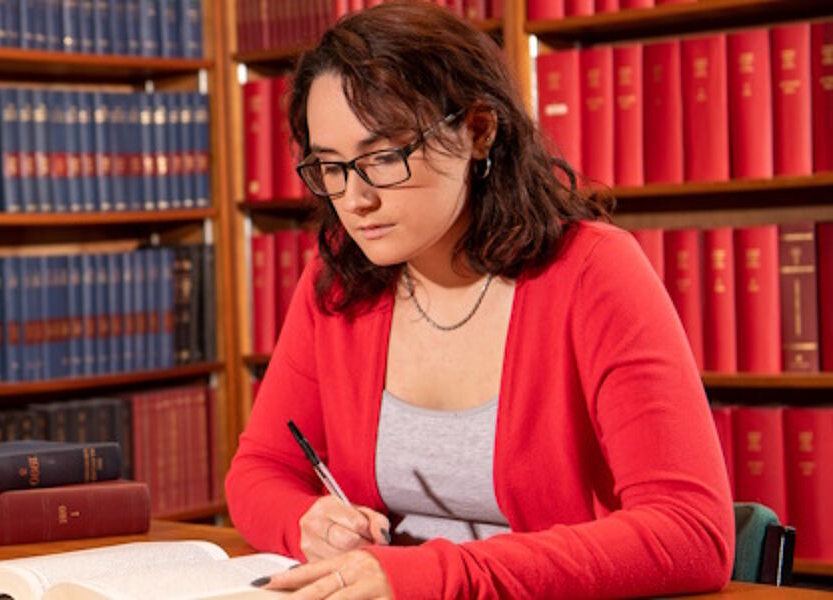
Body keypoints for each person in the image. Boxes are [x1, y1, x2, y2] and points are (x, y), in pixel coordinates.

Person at [224, 2, 735, 598]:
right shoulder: (339, 281)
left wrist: (435, 577)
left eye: (385, 157)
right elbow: (260, 472)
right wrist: (307, 522)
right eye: (331, 167)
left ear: (477, 130)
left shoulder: (594, 272)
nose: (355, 198)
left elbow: (692, 533)